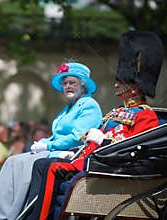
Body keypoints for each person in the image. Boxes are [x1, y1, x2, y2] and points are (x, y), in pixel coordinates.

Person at [25, 31, 163, 220]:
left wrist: (103, 141)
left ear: (135, 86)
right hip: (92, 160)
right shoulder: (116, 112)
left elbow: (133, 148)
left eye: (120, 81)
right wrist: (76, 152)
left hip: (109, 167)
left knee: (52, 167)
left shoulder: (146, 115)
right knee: (45, 164)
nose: (115, 85)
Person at [0, 62, 102, 220]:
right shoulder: (69, 107)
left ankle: (13, 215)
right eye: (64, 83)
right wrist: (43, 142)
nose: (67, 86)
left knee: (23, 164)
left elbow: (77, 137)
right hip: (57, 150)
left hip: (73, 154)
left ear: (83, 84)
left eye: (72, 82)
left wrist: (47, 145)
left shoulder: (89, 105)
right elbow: (56, 136)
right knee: (12, 161)